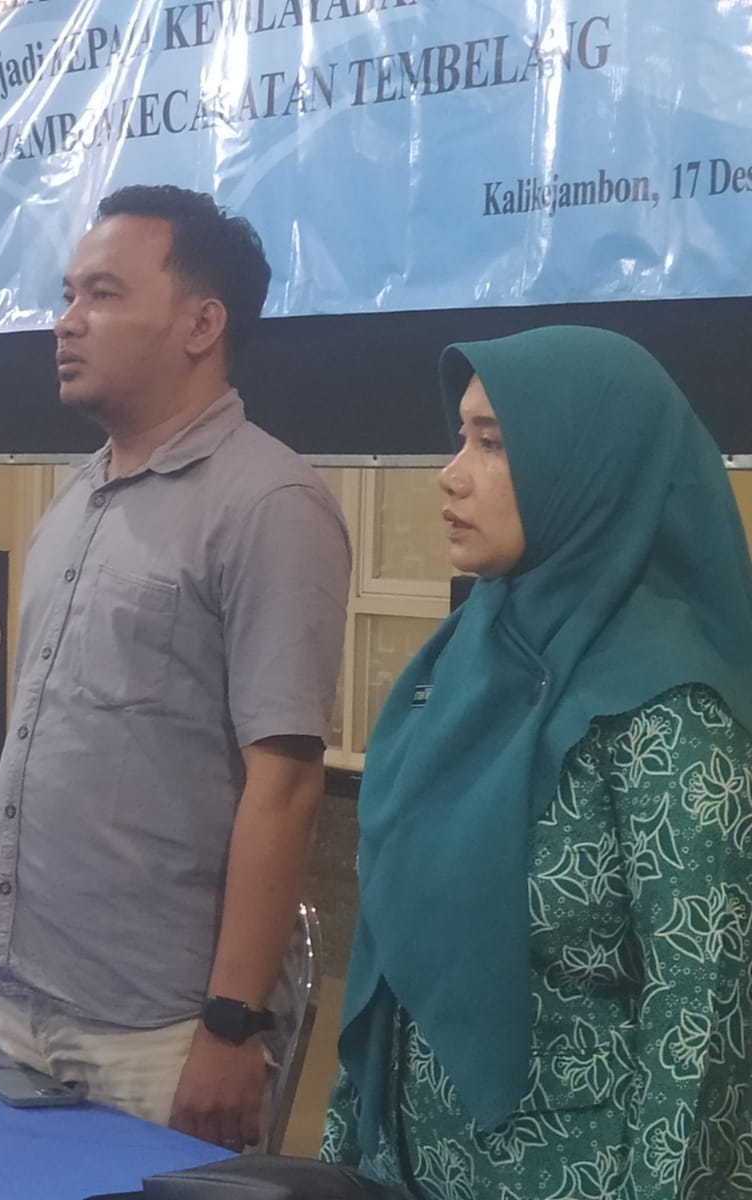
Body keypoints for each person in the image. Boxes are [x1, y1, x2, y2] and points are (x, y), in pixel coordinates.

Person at [0, 184, 352, 1150]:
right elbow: (41, 749)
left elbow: (286, 786)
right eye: (68, 295)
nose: (66, 322)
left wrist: (231, 1025)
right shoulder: (77, 496)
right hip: (28, 1004)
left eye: (102, 294)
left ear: (201, 325)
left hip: (161, 1032)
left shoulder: (268, 503)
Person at [323, 327, 752, 1199]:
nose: (451, 474)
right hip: (404, 1166)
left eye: (493, 443)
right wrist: (344, 1152)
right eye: (461, 438)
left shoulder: (667, 709)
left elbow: (700, 1020)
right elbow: (392, 942)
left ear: (591, 466)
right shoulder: (463, 663)